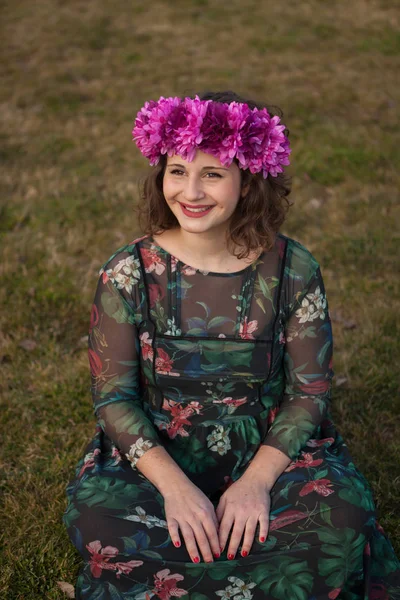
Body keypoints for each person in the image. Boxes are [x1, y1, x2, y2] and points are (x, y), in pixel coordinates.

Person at [63, 91, 400, 599]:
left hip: (267, 450)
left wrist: (257, 483)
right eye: (177, 171)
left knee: (342, 521)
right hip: (161, 453)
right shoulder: (128, 273)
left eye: (213, 174)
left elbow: (308, 393)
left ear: (248, 181)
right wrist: (176, 491)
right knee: (102, 523)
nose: (190, 191)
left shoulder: (294, 270)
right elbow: (113, 398)